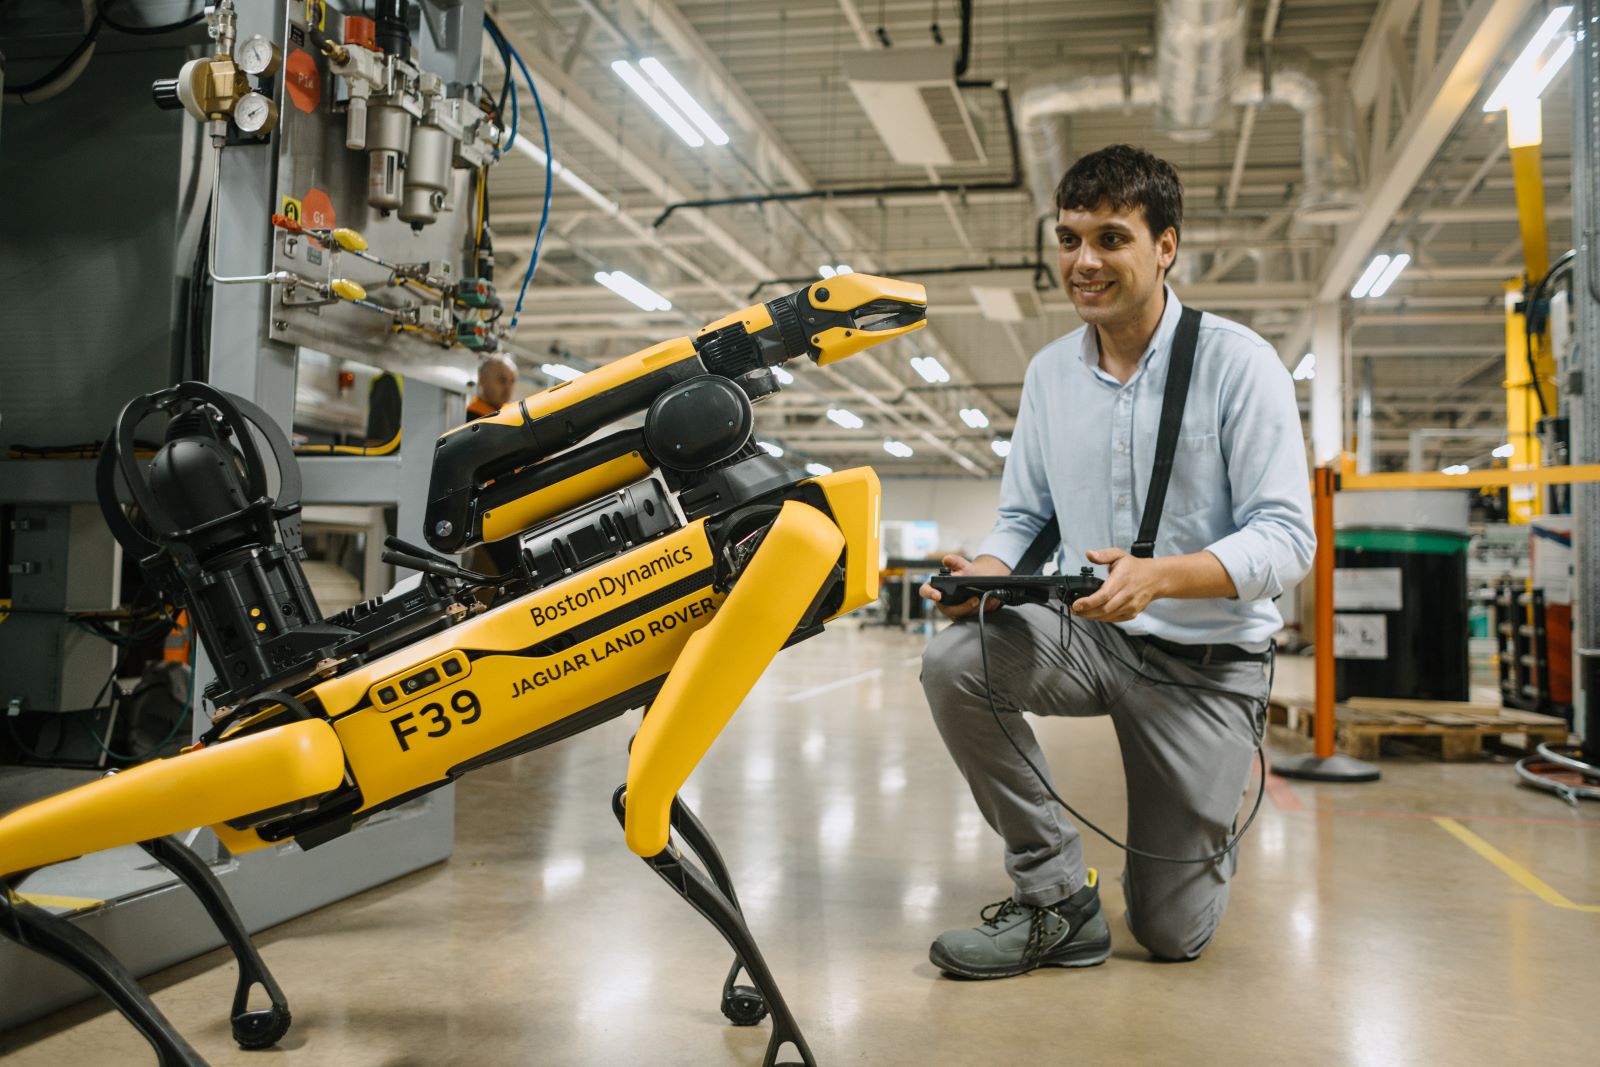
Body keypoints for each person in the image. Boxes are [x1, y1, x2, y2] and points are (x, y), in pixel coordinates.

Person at [918, 144, 1314, 978]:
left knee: (1169, 932)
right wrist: (982, 575)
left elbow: (1288, 537)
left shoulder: (1239, 365)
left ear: (1165, 245)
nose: (1083, 262)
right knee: (958, 657)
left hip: (1209, 665)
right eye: (1068, 240)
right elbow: (1025, 516)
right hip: (1093, 636)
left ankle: (1194, 832)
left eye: (1110, 238)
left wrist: (1162, 573)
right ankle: (1056, 897)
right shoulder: (1049, 375)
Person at [467, 353, 519, 420]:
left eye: (512, 381)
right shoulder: (469, 419)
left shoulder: (513, 417)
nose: (508, 388)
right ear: (482, 380)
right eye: (502, 380)